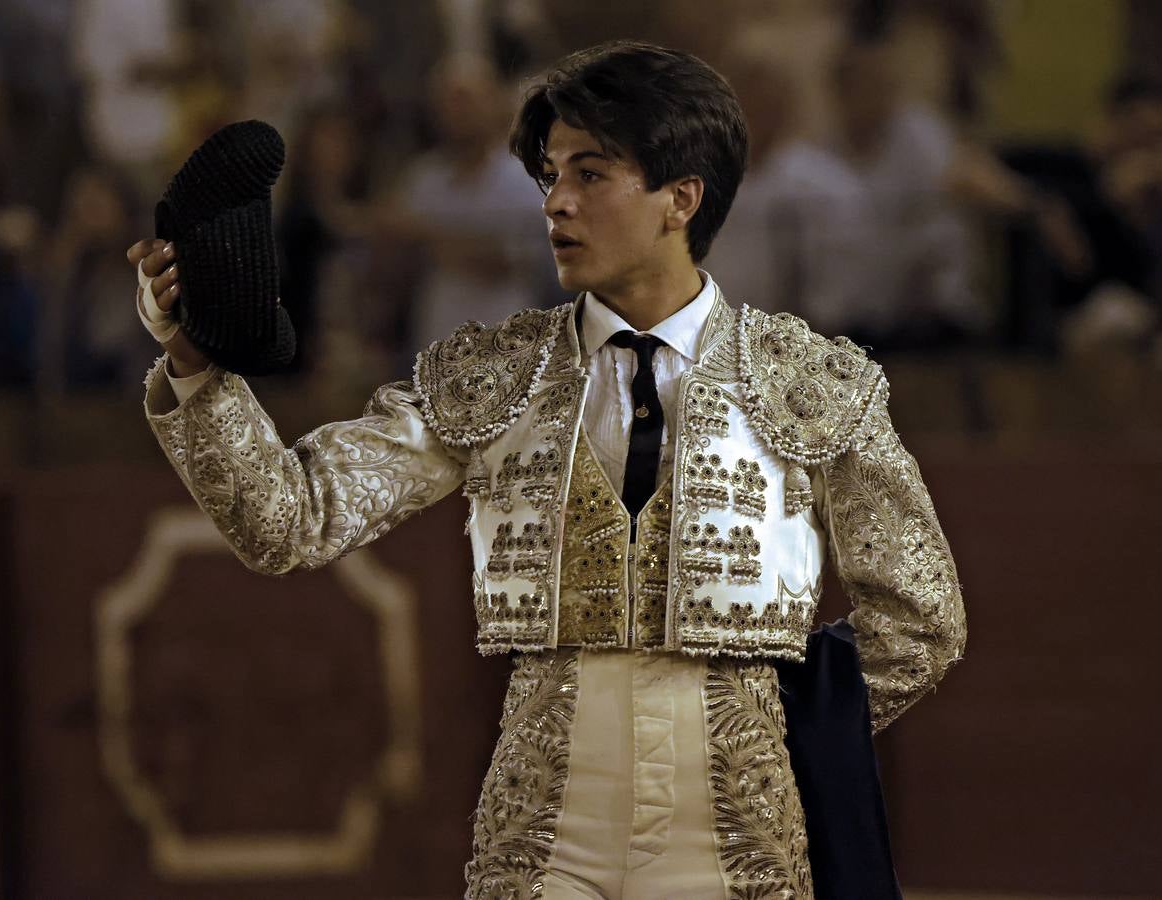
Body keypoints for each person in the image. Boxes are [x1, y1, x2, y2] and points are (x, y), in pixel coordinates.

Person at [129, 40, 966, 899]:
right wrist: (196, 368)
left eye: (590, 175)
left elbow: (920, 616)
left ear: (681, 198)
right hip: (544, 830)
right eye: (549, 176)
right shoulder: (495, 379)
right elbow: (288, 521)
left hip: (736, 832)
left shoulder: (807, 383)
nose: (556, 203)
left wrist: (777, 714)